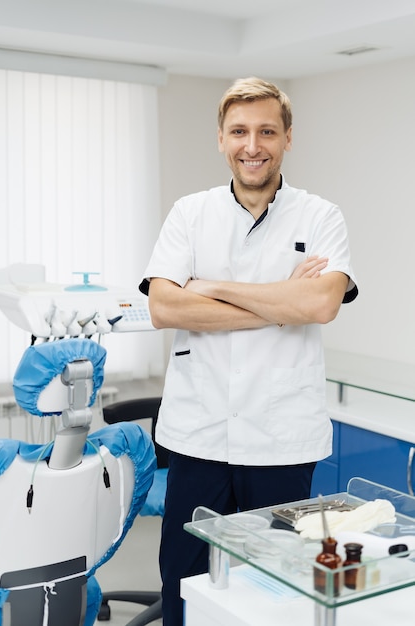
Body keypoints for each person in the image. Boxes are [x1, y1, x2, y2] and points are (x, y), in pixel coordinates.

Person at [139, 76, 358, 626]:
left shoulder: (321, 215)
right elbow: (165, 309)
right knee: (185, 582)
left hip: (280, 437)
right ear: (220, 138)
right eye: (239, 131)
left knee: (273, 587)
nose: (252, 144)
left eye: (266, 130)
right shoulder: (190, 213)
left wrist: (209, 286)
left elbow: (323, 305)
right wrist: (284, 300)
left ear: (287, 138)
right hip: (198, 433)